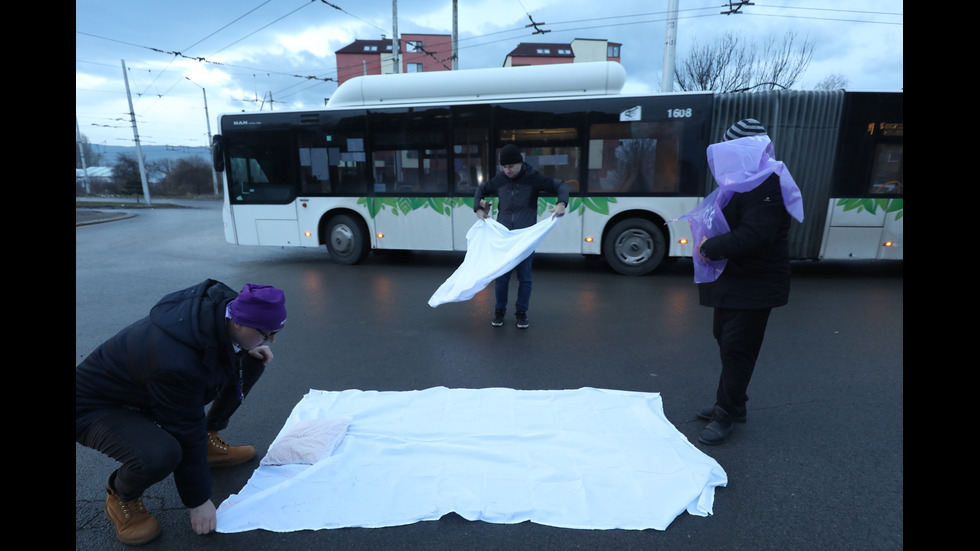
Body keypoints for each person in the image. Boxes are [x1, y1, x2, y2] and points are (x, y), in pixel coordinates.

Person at [76, 279, 287, 545]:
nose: (272, 340)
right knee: (162, 454)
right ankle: (120, 495)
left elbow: (189, 414)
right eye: (266, 334)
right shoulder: (177, 362)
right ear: (238, 322)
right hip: (93, 406)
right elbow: (185, 427)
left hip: (145, 390)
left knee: (251, 360)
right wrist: (198, 500)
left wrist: (247, 345)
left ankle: (208, 443)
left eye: (275, 332)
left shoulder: (227, 309)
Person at [693, 118, 804, 445]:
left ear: (745, 150)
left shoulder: (766, 183)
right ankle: (733, 402)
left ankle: (726, 412)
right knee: (725, 339)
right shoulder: (747, 179)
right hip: (737, 279)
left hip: (755, 283)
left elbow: (756, 234)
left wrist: (710, 247)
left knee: (737, 348)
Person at [474, 143, 569, 328]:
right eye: (504, 166)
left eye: (510, 166)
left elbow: (561, 186)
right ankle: (499, 311)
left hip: (525, 238)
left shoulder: (533, 178)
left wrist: (562, 204)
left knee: (525, 278)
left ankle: (521, 312)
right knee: (502, 277)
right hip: (504, 238)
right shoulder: (500, 179)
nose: (507, 170)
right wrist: (478, 207)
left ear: (520, 163)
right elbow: (481, 189)